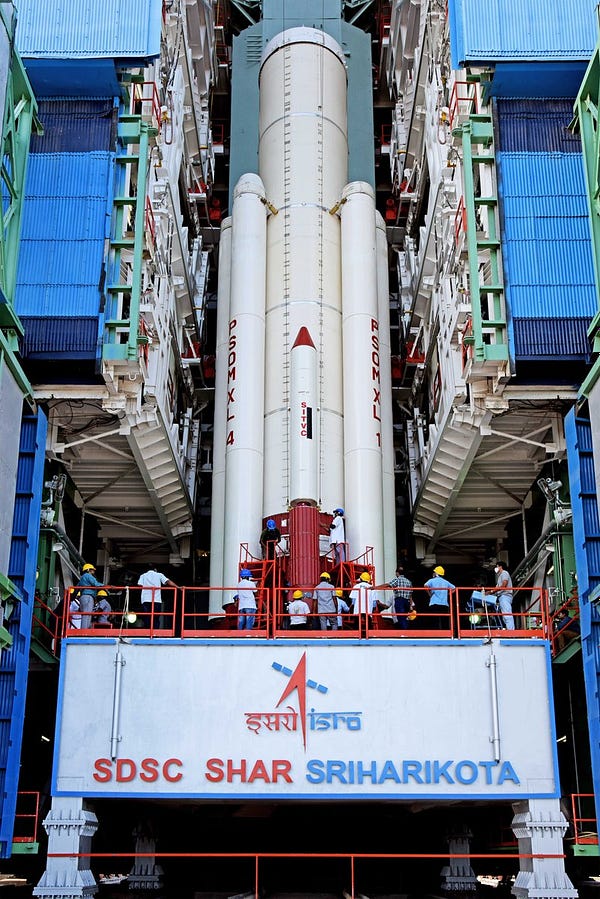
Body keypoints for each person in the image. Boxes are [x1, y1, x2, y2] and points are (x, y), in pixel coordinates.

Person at [137, 565, 178, 630]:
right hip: (156, 599)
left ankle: (147, 631)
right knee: (156, 617)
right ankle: (155, 632)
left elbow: (139, 585)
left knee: (147, 616)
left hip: (146, 599)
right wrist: (178, 587)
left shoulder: (143, 575)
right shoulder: (159, 575)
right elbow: (168, 581)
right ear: (155, 569)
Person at [424, 565, 455, 630]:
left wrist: (429, 594)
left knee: (434, 620)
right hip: (444, 604)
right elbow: (454, 588)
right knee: (445, 621)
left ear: (437, 573)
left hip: (434, 603)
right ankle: (446, 634)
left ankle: (436, 635)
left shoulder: (432, 580)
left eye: (434, 572)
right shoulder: (446, 582)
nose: (433, 573)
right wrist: (448, 594)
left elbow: (425, 585)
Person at [75, 562, 103, 629]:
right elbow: (95, 584)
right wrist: (104, 585)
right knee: (87, 614)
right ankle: (84, 631)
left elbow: (77, 587)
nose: (93, 571)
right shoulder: (88, 575)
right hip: (88, 596)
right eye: (92, 569)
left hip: (83, 597)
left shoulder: (82, 578)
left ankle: (85, 630)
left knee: (86, 614)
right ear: (88, 570)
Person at [389, 565, 414, 629]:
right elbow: (410, 595)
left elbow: (388, 585)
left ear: (397, 573)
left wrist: (376, 587)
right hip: (407, 601)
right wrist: (411, 606)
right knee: (405, 617)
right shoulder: (409, 582)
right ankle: (406, 631)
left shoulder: (397, 580)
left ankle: (404, 632)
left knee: (400, 617)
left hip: (400, 600)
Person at [494, 561, 514, 629]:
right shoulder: (500, 576)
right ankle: (509, 631)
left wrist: (491, 591)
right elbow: (496, 589)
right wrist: (490, 592)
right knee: (504, 616)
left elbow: (504, 584)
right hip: (502, 597)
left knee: (507, 615)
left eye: (497, 566)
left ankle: (511, 633)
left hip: (505, 596)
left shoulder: (504, 573)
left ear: (500, 567)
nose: (496, 568)